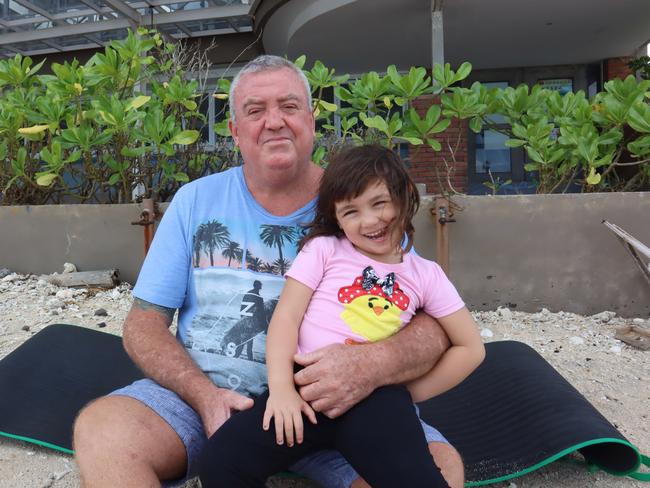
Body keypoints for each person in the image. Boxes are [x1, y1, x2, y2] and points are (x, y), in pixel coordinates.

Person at [72, 55, 463, 488]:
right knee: (102, 431)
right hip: (209, 398)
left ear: (312, 121)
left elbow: (433, 322)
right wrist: (205, 398)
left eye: (289, 106)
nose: (274, 121)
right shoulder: (194, 201)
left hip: (341, 401)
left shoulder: (362, 204)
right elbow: (143, 324)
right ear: (235, 132)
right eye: (255, 110)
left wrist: (369, 366)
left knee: (442, 466)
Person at [198, 145, 485, 488]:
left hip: (376, 400)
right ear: (336, 217)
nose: (369, 221)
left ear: (406, 195)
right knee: (219, 462)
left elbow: (470, 348)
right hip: (305, 393)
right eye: (351, 211)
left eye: (379, 203)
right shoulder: (324, 249)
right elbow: (286, 318)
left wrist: (408, 392)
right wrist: (281, 390)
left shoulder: (427, 274)